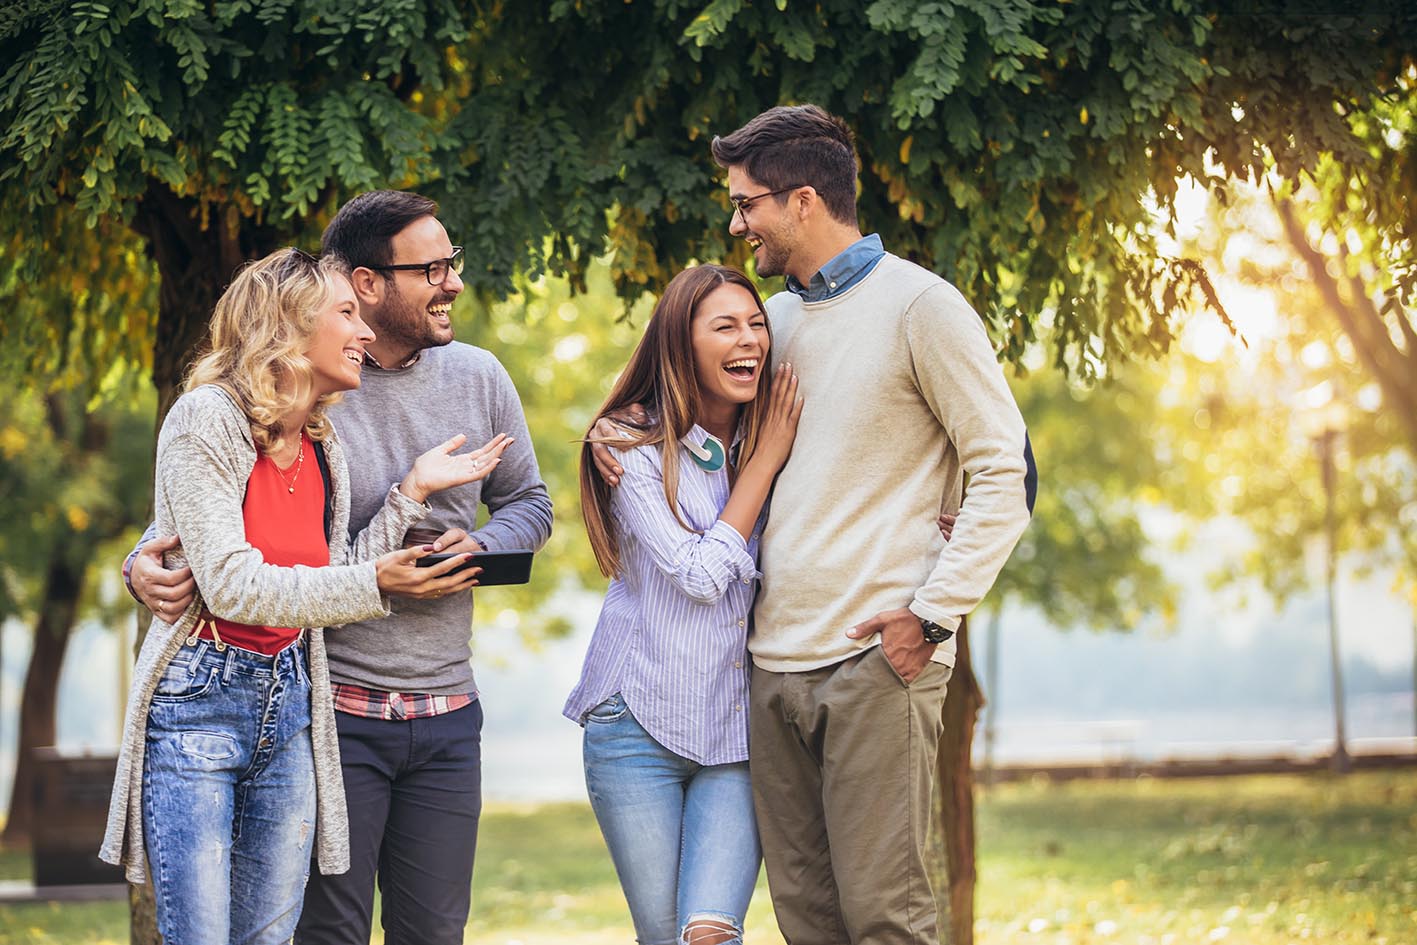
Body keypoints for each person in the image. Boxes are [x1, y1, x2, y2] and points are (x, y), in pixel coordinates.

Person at [593, 105, 1036, 944]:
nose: (736, 224)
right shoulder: (772, 323)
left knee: (883, 915)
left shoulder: (921, 306)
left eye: (746, 203)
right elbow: (690, 411)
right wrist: (616, 435)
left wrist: (932, 615)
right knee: (807, 918)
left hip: (875, 658)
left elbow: (1006, 470)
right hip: (768, 670)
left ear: (801, 200)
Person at [127, 191, 554, 945]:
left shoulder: (401, 400)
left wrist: (463, 534)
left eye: (452, 262)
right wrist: (140, 562)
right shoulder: (277, 403)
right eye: (432, 268)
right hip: (320, 703)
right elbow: (213, 531)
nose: (453, 281)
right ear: (362, 285)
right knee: (312, 932)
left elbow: (526, 504)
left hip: (403, 702)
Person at [566, 265, 802, 945]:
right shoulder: (630, 445)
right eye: (724, 326)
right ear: (680, 343)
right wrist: (764, 465)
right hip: (635, 724)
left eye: (756, 324)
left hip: (736, 731)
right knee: (664, 937)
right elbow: (698, 575)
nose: (748, 339)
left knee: (709, 933)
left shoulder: (777, 433)